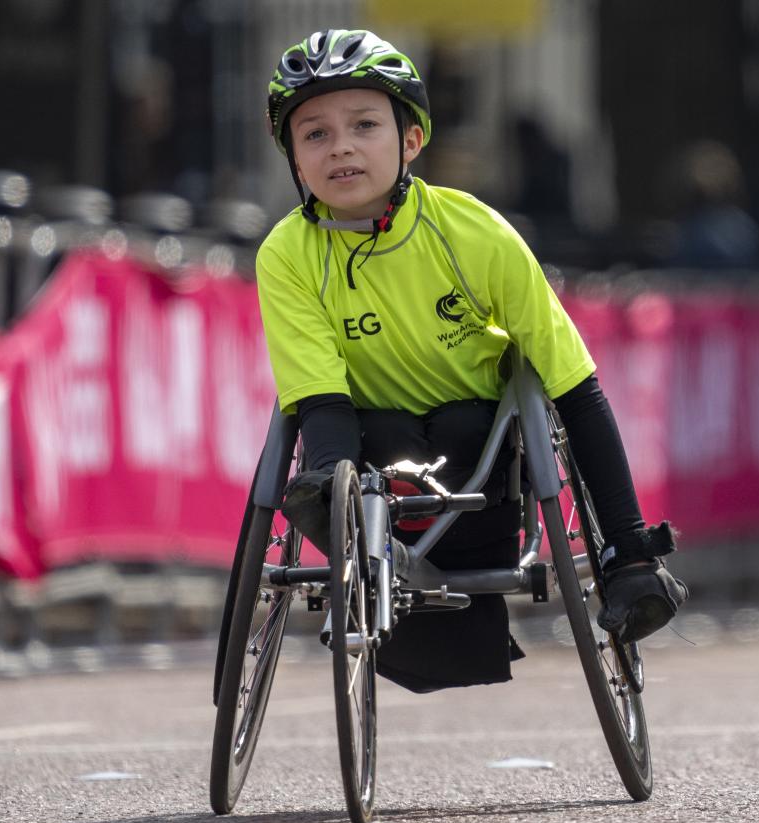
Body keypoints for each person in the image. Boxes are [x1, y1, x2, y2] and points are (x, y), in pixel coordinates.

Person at [255, 29, 687, 692]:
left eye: (364, 125)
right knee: (376, 447)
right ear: (293, 158)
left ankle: (497, 578)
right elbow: (317, 397)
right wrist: (326, 483)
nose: (339, 146)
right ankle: (373, 552)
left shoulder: (475, 232)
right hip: (372, 437)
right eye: (313, 134)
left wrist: (627, 550)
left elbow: (574, 388)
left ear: (410, 141)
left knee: (460, 426)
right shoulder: (285, 255)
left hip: (479, 440)